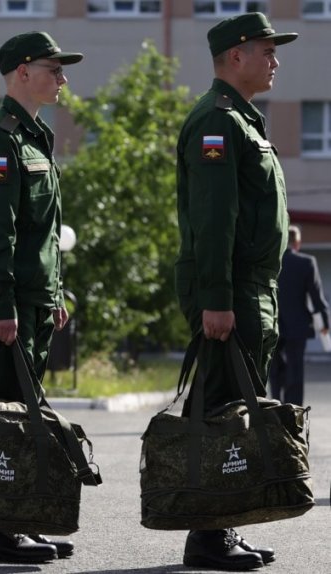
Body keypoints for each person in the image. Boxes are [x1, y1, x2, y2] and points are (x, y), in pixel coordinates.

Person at [173, 13, 297, 571]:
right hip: (232, 293)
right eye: (267, 51)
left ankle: (223, 526)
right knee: (224, 407)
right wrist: (216, 297)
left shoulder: (244, 121)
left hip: (251, 290)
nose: (276, 61)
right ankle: (207, 535)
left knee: (238, 409)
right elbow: (214, 219)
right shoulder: (217, 122)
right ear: (236, 56)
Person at [0, 31, 81, 564]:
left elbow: (44, 233)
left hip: (33, 300)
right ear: (22, 73)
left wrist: (51, 293)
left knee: (22, 414)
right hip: (7, 305)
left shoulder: (34, 137)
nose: (62, 79)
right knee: (3, 415)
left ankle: (14, 522)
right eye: (53, 69)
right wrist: (2, 307)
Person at [270, 225, 329, 406]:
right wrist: (324, 323)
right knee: (295, 369)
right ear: (297, 242)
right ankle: (293, 411)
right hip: (298, 325)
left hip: (273, 324)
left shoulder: (271, 262)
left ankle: (275, 406)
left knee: (274, 367)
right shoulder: (306, 262)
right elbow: (316, 297)